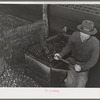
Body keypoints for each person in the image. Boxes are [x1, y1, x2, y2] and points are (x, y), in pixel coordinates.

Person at [54, 20, 100, 87]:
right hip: (72, 62)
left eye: (86, 35)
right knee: (69, 84)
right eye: (82, 33)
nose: (83, 37)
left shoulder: (96, 43)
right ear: (80, 31)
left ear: (91, 34)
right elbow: (69, 46)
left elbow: (93, 60)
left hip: (85, 66)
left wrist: (82, 67)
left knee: (80, 86)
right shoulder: (75, 35)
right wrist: (61, 54)